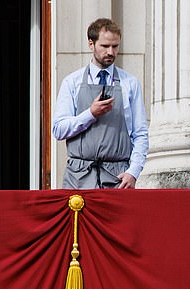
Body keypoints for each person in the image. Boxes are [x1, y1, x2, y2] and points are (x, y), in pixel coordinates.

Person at [52, 18, 149, 189]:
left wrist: (133, 172)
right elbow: (59, 130)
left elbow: (140, 133)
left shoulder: (130, 83)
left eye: (115, 46)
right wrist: (90, 114)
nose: (111, 52)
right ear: (91, 44)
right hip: (78, 177)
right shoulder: (71, 82)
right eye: (105, 46)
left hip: (117, 177)